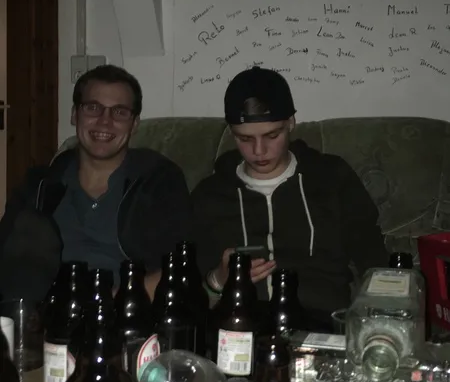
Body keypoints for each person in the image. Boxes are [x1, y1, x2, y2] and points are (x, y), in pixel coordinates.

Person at [192, 66, 388, 330]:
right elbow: (189, 299)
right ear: (231, 132)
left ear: (291, 123)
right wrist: (218, 280)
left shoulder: (331, 177)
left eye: (272, 135)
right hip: (238, 328)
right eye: (245, 138)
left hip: (320, 325)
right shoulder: (210, 194)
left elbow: (374, 258)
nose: (259, 151)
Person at [0, 65, 191, 301]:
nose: (104, 121)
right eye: (93, 108)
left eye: (119, 112)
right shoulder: (39, 185)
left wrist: (103, 303)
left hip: (127, 310)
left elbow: (180, 267)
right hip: (44, 312)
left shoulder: (158, 182)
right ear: (74, 114)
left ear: (134, 124)